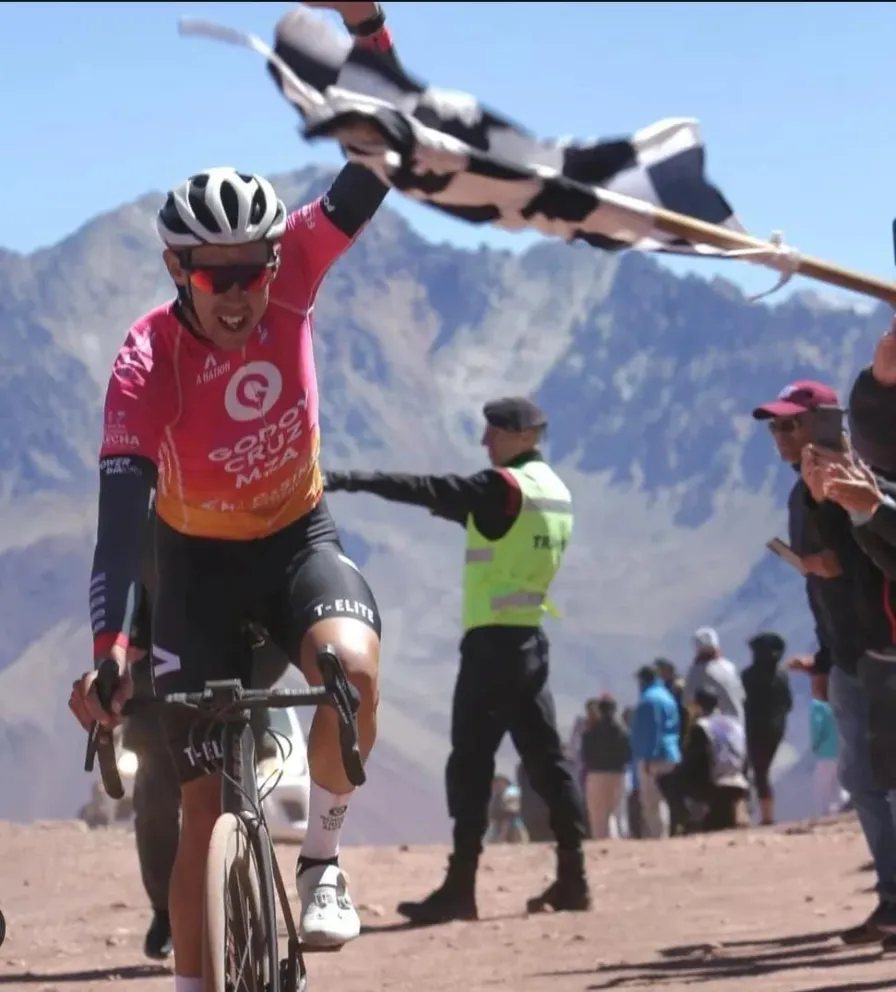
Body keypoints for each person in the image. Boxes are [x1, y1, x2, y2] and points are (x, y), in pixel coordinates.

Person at [68, 6, 395, 987]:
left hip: (297, 539)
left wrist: (369, 30)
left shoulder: (293, 264)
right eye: (218, 273)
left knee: (354, 670)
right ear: (178, 267)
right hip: (195, 573)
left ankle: (323, 862)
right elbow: (118, 528)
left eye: (253, 267)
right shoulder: (143, 363)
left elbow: (379, 154)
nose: (242, 289)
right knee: (201, 805)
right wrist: (107, 650)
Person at [324, 395, 591, 921]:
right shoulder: (555, 492)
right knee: (548, 764)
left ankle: (461, 887)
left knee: (470, 765)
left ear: (523, 436)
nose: (485, 441)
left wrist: (349, 479)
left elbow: (427, 489)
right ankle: (574, 877)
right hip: (531, 643)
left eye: (494, 432)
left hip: (492, 648)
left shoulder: (502, 490)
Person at [753, 375, 896, 943]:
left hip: (886, 650)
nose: (782, 435)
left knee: (887, 779)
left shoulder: (865, 481)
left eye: (792, 423)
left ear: (827, 421)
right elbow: (819, 587)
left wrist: (840, 561)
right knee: (862, 781)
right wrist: (825, 657)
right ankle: (889, 898)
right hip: (848, 656)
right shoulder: (800, 493)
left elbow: (879, 561)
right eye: (776, 427)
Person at [678, 688, 749, 833]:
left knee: (672, 780)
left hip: (714, 782)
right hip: (739, 778)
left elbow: (696, 760)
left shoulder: (702, 727)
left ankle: (689, 820)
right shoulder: (735, 724)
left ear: (698, 705)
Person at [740, 632, 793, 826]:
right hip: (776, 728)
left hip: (754, 728)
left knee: (757, 770)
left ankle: (763, 816)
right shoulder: (781, 675)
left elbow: (742, 704)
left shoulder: (748, 676)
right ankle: (766, 814)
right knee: (762, 770)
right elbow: (788, 704)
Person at [630, 665, 681, 839]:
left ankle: (656, 836)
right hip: (671, 752)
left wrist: (647, 759)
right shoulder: (668, 697)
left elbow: (651, 731)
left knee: (651, 800)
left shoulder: (648, 700)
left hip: (654, 756)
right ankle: (663, 833)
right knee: (662, 798)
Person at [580, 695, 630, 840]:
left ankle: (601, 844)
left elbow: (585, 755)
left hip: (596, 774)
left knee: (598, 815)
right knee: (617, 812)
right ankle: (618, 840)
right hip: (618, 774)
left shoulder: (590, 732)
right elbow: (628, 754)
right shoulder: (623, 732)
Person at [683, 628, 745, 724]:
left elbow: (687, 701)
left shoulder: (698, 671)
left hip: (716, 729)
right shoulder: (730, 667)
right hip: (739, 725)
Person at [810, 679, 845, 817]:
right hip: (842, 750)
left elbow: (817, 727)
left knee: (822, 788)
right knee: (839, 786)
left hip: (825, 753)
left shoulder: (817, 706)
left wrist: (815, 744)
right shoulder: (840, 703)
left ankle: (823, 814)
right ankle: (841, 811)